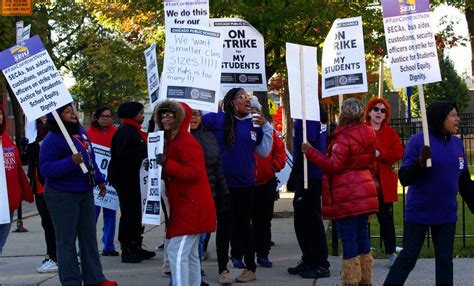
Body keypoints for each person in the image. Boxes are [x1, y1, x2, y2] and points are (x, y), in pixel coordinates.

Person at [384, 101, 468, 285]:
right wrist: (420, 161)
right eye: (453, 115)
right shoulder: (419, 141)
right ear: (440, 118)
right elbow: (405, 178)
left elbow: (464, 181)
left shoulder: (457, 144)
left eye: (457, 115)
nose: (458, 119)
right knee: (408, 258)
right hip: (419, 213)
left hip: (446, 214)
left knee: (445, 261)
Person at [302, 98, 378, 285]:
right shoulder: (369, 133)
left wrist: (311, 152)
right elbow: (372, 164)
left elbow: (333, 165)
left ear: (343, 114)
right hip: (364, 188)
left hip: (347, 192)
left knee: (349, 237)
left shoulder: (343, 138)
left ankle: (351, 280)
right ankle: (365, 278)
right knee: (362, 235)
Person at [40, 103, 116, 285]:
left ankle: (95, 278)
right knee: (66, 241)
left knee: (88, 238)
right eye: (67, 112)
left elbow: (90, 158)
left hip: (85, 191)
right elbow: (46, 169)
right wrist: (70, 162)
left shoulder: (79, 133)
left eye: (73, 110)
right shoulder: (53, 139)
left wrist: (99, 179)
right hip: (62, 195)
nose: (73, 114)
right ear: (57, 117)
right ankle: (71, 280)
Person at [201, 88, 273, 283]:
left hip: (246, 185)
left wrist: (266, 127)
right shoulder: (216, 119)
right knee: (224, 227)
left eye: (248, 98)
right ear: (232, 102)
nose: (247, 101)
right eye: (242, 97)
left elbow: (265, 151)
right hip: (222, 185)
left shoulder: (255, 123)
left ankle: (250, 268)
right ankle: (223, 270)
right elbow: (195, 122)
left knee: (244, 226)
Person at [155, 100, 216, 286]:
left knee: (177, 252)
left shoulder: (185, 141)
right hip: (187, 204)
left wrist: (167, 164)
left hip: (191, 206)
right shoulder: (173, 140)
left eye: (171, 115)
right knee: (189, 255)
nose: (166, 118)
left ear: (180, 118)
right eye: (163, 114)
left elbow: (193, 173)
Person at [286, 105, 331, 279]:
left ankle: (320, 263)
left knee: (311, 221)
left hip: (309, 176)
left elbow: (307, 147)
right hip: (306, 175)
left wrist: (293, 175)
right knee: (302, 221)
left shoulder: (309, 118)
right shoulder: (305, 118)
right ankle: (309, 259)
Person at [108, 101, 155, 263]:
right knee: (130, 214)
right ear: (132, 114)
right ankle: (127, 248)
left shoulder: (133, 131)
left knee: (137, 214)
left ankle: (136, 245)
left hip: (136, 180)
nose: (143, 116)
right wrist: (146, 151)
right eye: (141, 113)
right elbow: (127, 155)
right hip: (127, 181)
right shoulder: (126, 132)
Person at [190, 108, 233, 285]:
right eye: (190, 114)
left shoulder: (208, 137)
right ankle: (187, 274)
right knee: (188, 238)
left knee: (200, 236)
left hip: (207, 192)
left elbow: (216, 168)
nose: (193, 118)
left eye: (196, 114)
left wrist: (223, 192)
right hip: (185, 195)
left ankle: (197, 273)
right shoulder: (175, 137)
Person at [365, 97, 404, 267]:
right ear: (369, 112)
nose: (379, 113)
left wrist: (380, 154)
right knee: (363, 220)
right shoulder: (362, 130)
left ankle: (391, 252)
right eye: (376, 109)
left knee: (386, 219)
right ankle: (364, 252)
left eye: (383, 110)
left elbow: (397, 153)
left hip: (383, 184)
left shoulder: (390, 133)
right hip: (364, 183)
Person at [249, 96, 286, 268]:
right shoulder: (239, 130)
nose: (253, 114)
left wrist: (273, 167)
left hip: (266, 182)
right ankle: (240, 254)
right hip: (244, 184)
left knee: (263, 221)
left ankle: (263, 254)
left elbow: (280, 153)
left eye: (256, 111)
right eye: (250, 111)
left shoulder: (268, 130)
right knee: (243, 221)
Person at [0, 104, 33, 256]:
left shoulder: (7, 140)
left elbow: (18, 169)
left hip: (8, 203)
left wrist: (25, 191)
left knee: (1, 244)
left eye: (0, 113)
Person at [26, 116, 58, 273]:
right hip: (39, 186)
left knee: (56, 224)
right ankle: (52, 255)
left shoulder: (56, 131)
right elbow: (29, 158)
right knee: (47, 223)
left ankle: (56, 257)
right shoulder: (34, 130)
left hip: (53, 185)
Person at [87, 107, 119, 257]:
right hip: (93, 181)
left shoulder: (117, 133)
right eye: (103, 116)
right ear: (96, 118)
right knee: (91, 216)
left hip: (111, 180)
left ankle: (109, 246)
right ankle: (87, 247)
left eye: (109, 116)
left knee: (110, 214)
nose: (106, 119)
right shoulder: (88, 135)